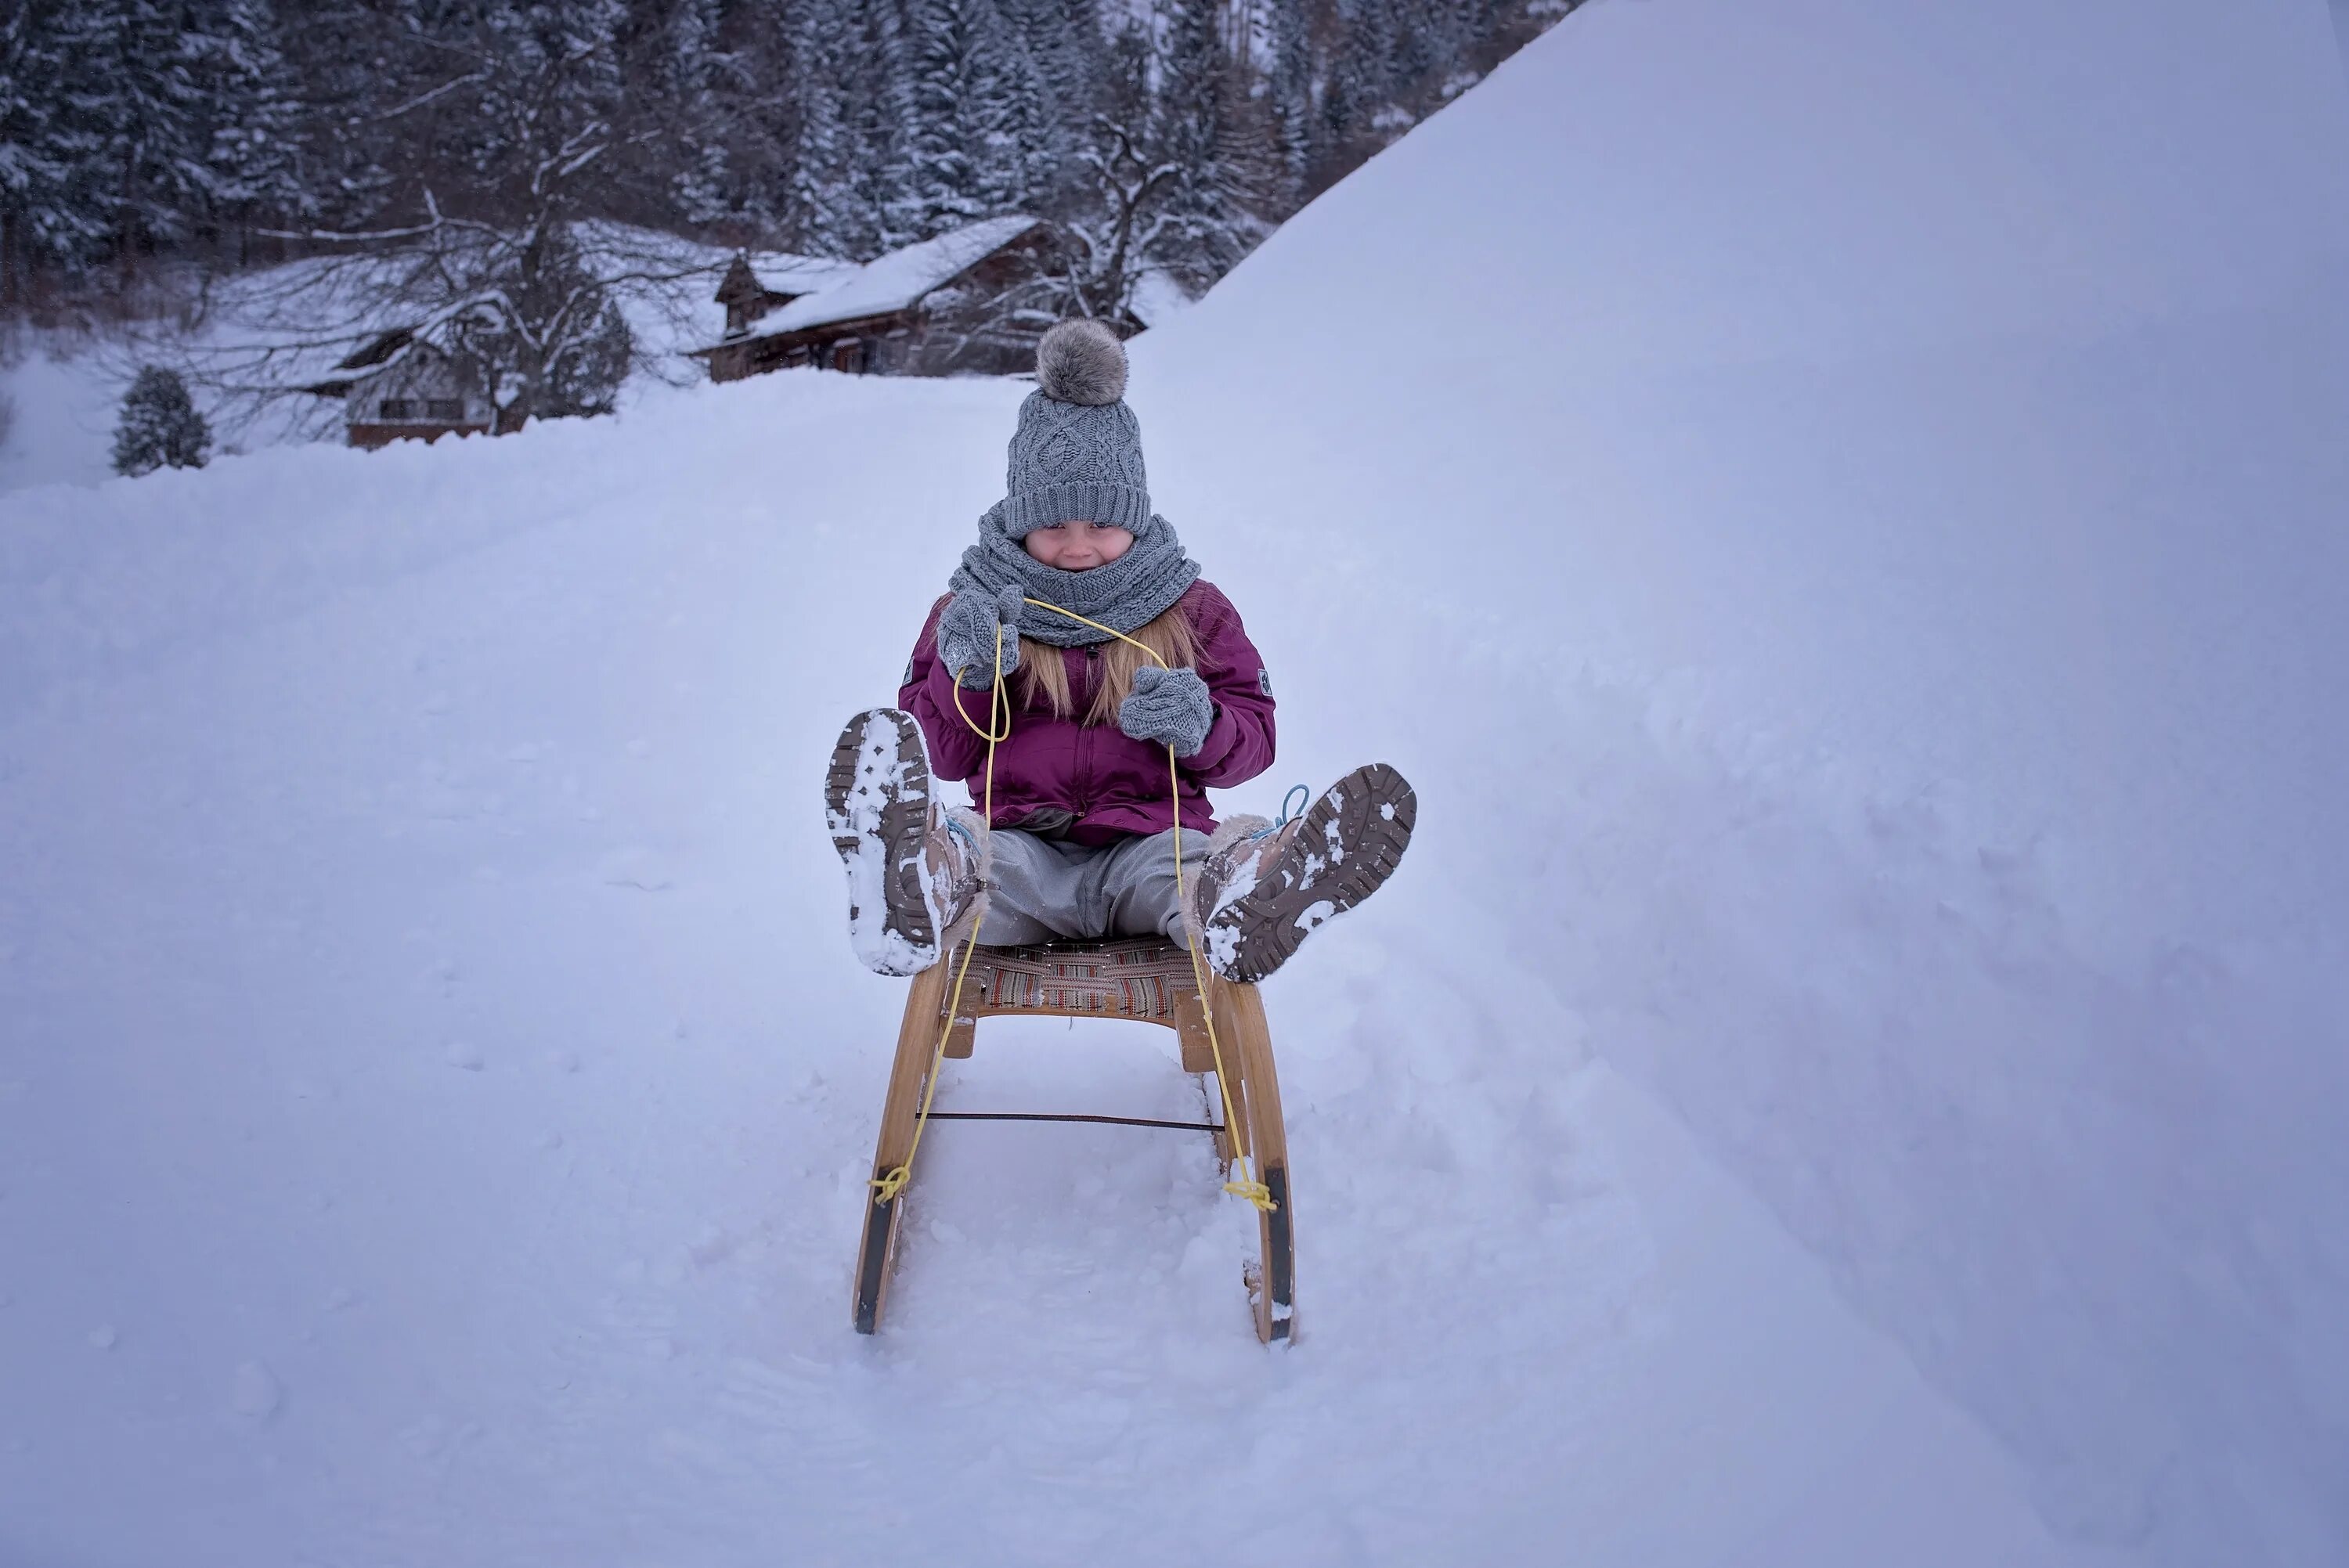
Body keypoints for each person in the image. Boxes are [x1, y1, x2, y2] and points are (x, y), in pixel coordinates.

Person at [824, 319, 1414, 982]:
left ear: (1131, 516)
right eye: (1053, 525)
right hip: (1023, 851)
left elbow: (1256, 735)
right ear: (1021, 524)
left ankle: (1251, 893)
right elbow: (948, 754)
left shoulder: (1191, 608)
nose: (1078, 546)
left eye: (1101, 523)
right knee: (977, 863)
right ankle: (916, 883)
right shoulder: (974, 608)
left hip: (1149, 847)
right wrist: (970, 676)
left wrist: (1204, 726)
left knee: (1192, 876)